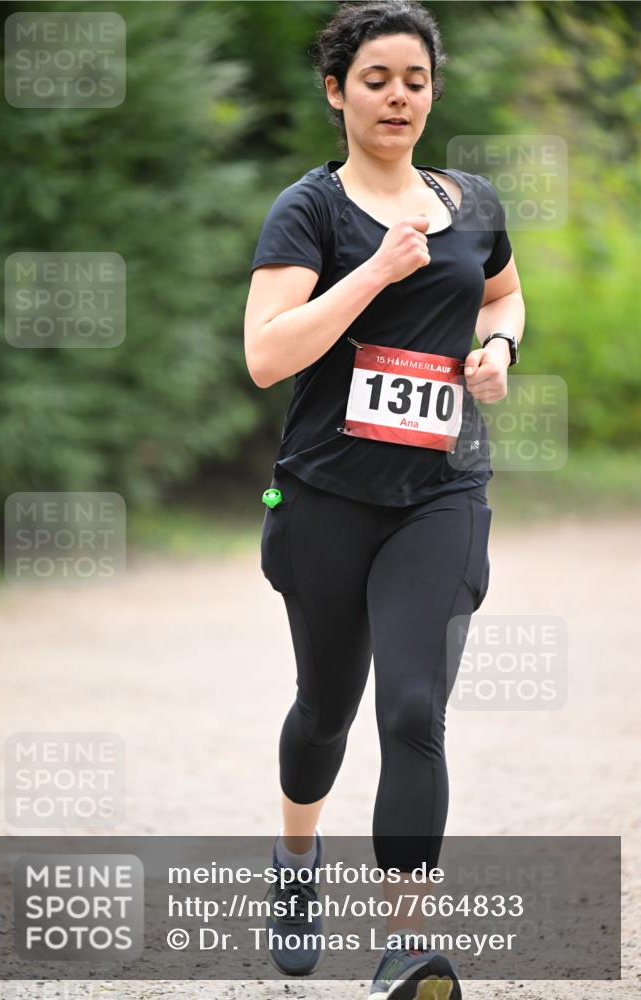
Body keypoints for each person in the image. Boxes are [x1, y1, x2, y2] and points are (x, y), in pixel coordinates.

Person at [244, 1, 524, 996]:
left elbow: (499, 292)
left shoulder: (474, 201)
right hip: (325, 495)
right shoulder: (309, 211)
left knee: (412, 708)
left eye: (414, 78)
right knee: (325, 709)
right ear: (337, 91)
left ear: (431, 91)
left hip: (439, 492)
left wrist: (497, 350)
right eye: (375, 78)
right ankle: (295, 860)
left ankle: (406, 938)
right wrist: (373, 268)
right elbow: (268, 354)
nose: (397, 95)